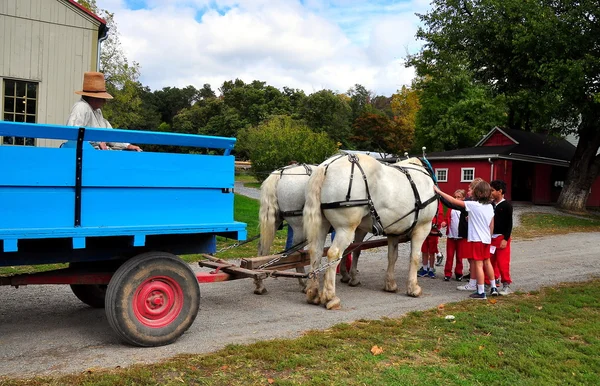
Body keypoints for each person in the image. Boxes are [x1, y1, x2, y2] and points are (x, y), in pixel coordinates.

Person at [435, 179, 497, 299]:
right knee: (487, 262)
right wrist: (489, 237)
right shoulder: (490, 206)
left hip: (477, 239)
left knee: (478, 264)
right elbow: (491, 225)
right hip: (486, 239)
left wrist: (439, 191)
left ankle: (480, 291)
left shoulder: (473, 205)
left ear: (477, 193)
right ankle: (493, 287)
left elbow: (453, 201)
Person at [66, 71, 142, 152]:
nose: (104, 102)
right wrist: (97, 143)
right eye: (102, 98)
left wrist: (128, 146)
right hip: (87, 155)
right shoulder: (81, 107)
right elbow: (73, 135)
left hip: (95, 154)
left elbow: (110, 134)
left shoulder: (97, 111)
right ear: (93, 98)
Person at [489, 180, 513, 296]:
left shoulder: (506, 205)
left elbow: (509, 223)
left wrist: (506, 239)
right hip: (491, 238)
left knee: (502, 262)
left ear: (500, 191)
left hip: (501, 237)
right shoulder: (491, 204)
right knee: (490, 261)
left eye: (493, 190)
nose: (491, 192)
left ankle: (506, 284)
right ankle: (492, 282)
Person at [417, 201, 446, 279]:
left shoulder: (438, 202)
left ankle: (431, 269)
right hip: (423, 229)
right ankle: (425, 268)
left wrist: (437, 225)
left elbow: (440, 215)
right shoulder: (424, 200)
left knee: (432, 251)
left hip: (433, 230)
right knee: (424, 250)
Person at [443, 189, 466, 281]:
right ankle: (447, 273)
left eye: (459, 197)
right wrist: (444, 222)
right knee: (449, 256)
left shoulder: (464, 208)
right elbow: (447, 218)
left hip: (460, 236)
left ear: (463, 198)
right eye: (455, 197)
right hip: (451, 236)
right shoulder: (450, 208)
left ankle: (459, 273)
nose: (456, 199)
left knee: (460, 257)